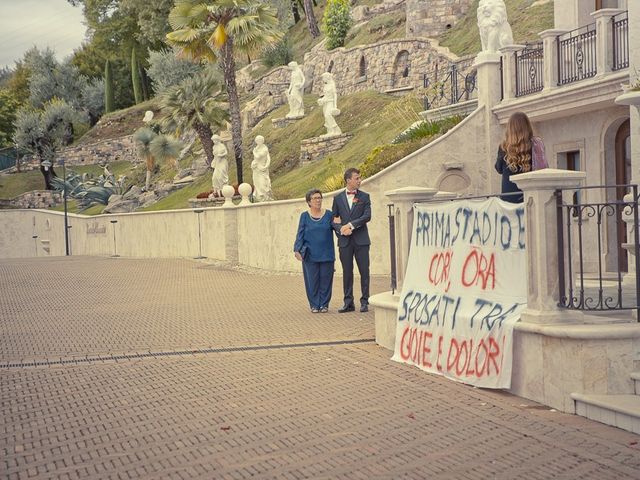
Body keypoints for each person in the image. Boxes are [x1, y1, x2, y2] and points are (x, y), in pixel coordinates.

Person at [331, 168, 371, 313]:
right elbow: (334, 220)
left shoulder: (365, 197)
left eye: (360, 178)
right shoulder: (337, 198)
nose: (359, 180)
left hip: (361, 241)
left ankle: (365, 301)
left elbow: (367, 216)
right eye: (357, 178)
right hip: (344, 242)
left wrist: (351, 225)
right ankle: (348, 303)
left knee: (364, 272)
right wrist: (341, 229)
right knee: (347, 272)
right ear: (348, 180)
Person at [293, 189, 335, 313]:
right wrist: (297, 249)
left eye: (319, 198)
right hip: (310, 254)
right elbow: (300, 234)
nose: (318, 200)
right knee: (312, 281)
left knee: (326, 280)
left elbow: (337, 228)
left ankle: (324, 304)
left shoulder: (329, 215)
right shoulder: (304, 216)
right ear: (309, 202)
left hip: (326, 253)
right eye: (315, 198)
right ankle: (314, 304)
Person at [495, 111, 546, 203]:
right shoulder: (534, 145)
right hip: (529, 196)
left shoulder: (503, 147)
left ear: (510, 128)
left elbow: (498, 169)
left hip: (508, 197)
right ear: (527, 126)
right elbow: (542, 167)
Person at [317, 72, 341, 137]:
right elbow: (325, 96)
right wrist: (321, 100)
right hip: (325, 103)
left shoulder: (332, 85)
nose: (323, 79)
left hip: (330, 102)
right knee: (326, 117)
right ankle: (330, 131)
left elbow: (334, 95)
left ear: (327, 78)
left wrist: (335, 105)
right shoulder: (325, 85)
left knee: (328, 115)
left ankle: (336, 130)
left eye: (323, 78)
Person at [251, 135, 274, 202]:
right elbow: (255, 159)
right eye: (257, 140)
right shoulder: (257, 148)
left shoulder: (264, 148)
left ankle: (264, 197)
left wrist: (254, 152)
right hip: (256, 169)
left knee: (263, 183)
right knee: (257, 183)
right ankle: (259, 198)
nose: (258, 142)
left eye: (260, 140)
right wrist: (252, 164)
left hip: (262, 168)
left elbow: (258, 157)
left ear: (262, 141)